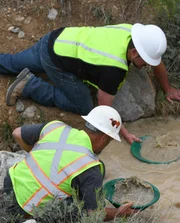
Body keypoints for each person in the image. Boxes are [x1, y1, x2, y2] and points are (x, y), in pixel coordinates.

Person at [1, 23, 180, 144]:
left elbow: (157, 61)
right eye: (146, 61)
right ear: (134, 53)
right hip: (56, 61)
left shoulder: (133, 32)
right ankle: (30, 85)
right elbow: (104, 108)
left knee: (10, 63)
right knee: (85, 105)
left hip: (57, 39)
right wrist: (125, 133)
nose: (149, 65)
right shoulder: (114, 69)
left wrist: (168, 89)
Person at [3, 105, 137, 221]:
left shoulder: (55, 127)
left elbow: (17, 133)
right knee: (82, 208)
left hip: (10, 184)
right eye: (109, 141)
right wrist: (119, 213)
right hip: (28, 207)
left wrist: (35, 153)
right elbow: (94, 214)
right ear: (104, 138)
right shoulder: (90, 168)